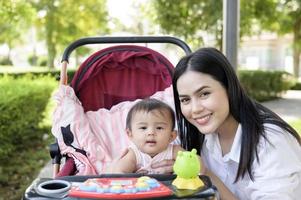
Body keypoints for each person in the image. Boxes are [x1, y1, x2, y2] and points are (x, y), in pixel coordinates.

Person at [167, 47, 301, 199]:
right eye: (185, 100)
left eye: (204, 94)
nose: (195, 109)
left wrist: (205, 174)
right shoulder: (198, 130)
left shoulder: (271, 142)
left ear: (229, 88)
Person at [111, 98, 184, 174]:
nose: (151, 132)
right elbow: (120, 173)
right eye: (143, 128)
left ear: (172, 136)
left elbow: (196, 162)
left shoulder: (174, 151)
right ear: (130, 134)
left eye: (159, 128)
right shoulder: (134, 154)